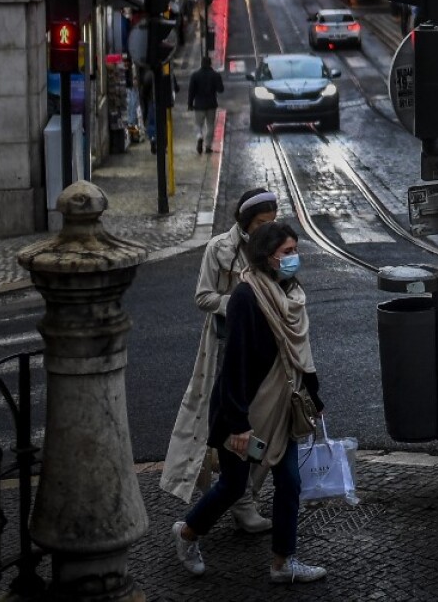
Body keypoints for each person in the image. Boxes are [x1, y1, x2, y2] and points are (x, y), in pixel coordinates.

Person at [172, 221, 328, 584]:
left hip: (282, 408)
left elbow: (300, 354)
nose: (294, 257)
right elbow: (235, 364)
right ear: (267, 256)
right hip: (244, 412)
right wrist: (239, 424)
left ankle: (282, 562)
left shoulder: (292, 292)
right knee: (233, 485)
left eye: (295, 250)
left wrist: (315, 397)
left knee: (289, 482)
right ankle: (187, 534)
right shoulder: (246, 297)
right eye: (287, 251)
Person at [161, 189, 281, 534]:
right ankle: (230, 494)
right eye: (261, 223)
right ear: (245, 222)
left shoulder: (272, 247)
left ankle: (245, 496)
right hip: (224, 345)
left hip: (263, 347)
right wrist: (240, 303)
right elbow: (203, 296)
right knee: (225, 420)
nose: (266, 229)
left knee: (265, 421)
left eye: (271, 222)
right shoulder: (219, 248)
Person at [187, 56, 225, 154]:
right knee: (210, 125)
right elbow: (221, 90)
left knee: (198, 125)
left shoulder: (195, 75)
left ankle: (199, 136)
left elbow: (191, 91)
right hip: (211, 104)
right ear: (210, 63)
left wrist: (190, 104)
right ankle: (208, 146)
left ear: (201, 64)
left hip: (199, 105)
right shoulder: (215, 75)